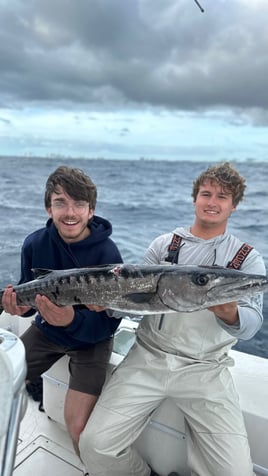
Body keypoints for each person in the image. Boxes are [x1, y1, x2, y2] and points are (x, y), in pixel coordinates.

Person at [79, 162, 266, 476]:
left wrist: (230, 312)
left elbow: (251, 324)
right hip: (148, 358)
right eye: (206, 193)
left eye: (222, 196)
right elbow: (132, 302)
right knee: (94, 445)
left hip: (207, 369)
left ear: (234, 205)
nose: (212, 201)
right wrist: (106, 304)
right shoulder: (164, 246)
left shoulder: (247, 259)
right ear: (194, 199)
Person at [1, 165, 123, 458]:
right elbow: (29, 298)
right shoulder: (34, 243)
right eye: (60, 203)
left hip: (92, 339)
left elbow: (111, 319)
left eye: (79, 204)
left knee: (77, 425)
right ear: (48, 208)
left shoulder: (108, 254)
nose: (70, 212)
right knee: (3, 385)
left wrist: (72, 319)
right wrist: (18, 309)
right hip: (47, 331)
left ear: (91, 211)